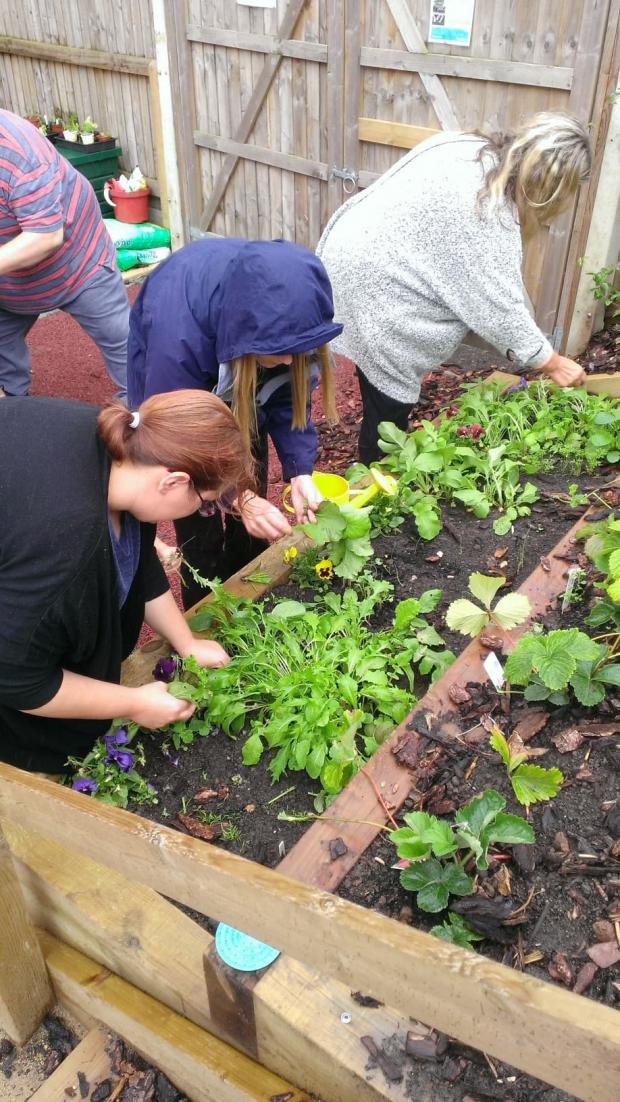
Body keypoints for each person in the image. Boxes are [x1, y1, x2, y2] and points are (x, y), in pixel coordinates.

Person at [0, 389, 254, 774]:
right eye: (205, 502)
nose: (203, 510)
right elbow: (19, 681)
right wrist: (134, 703)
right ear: (173, 482)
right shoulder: (66, 551)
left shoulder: (123, 447)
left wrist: (186, 642)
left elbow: (137, 563)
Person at [317, 112, 591, 463]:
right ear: (551, 186)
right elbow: (498, 309)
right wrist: (551, 362)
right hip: (378, 290)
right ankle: (373, 482)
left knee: (374, 369)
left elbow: (497, 280)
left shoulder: (465, 146)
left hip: (348, 256)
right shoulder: (488, 211)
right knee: (390, 405)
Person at [127, 237, 343, 607]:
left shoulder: (286, 324)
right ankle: (205, 605)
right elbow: (176, 442)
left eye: (300, 352)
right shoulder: (178, 340)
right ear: (249, 338)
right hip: (182, 396)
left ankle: (249, 586)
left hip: (241, 361)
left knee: (251, 484)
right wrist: (236, 497)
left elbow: (285, 395)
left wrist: (299, 471)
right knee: (198, 517)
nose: (294, 362)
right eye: (282, 352)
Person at [0, 108, 128, 400]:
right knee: (3, 358)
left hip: (76, 263)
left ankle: (138, 416)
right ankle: (11, 407)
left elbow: (45, 236)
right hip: (7, 284)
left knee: (124, 343)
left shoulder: (19, 149)